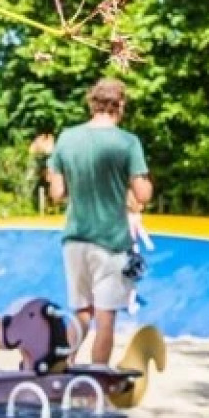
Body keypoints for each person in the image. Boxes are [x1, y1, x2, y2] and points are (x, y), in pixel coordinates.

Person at [47, 78, 152, 365]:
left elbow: (56, 193)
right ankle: (96, 389)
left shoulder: (67, 138)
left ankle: (62, 374)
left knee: (81, 313)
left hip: (75, 238)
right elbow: (142, 193)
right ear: (120, 105)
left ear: (92, 103)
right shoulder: (128, 142)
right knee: (105, 319)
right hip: (110, 241)